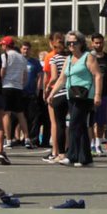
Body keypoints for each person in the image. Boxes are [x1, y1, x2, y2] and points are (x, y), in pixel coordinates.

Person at [48, 30, 103, 167]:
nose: (71, 45)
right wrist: (52, 93)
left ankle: (71, 155)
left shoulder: (88, 57)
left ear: (81, 43)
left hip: (84, 96)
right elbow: (62, 78)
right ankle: (85, 158)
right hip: (71, 95)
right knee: (81, 126)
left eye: (74, 42)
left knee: (73, 124)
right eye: (69, 43)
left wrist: (97, 95)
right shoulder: (68, 59)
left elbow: (98, 75)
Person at [0, 36, 28, 160]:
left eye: (2, 45)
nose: (1, 47)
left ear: (6, 45)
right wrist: (22, 85)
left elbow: (2, 71)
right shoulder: (21, 57)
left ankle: (9, 139)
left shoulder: (4, 56)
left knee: (6, 113)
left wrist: (0, 81)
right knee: (20, 113)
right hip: (18, 87)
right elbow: (25, 75)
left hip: (6, 86)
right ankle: (27, 138)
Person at [43, 32, 68, 162]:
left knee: (57, 124)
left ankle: (56, 151)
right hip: (71, 93)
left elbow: (52, 77)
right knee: (70, 123)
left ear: (52, 43)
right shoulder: (70, 57)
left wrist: (47, 89)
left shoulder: (52, 58)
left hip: (57, 92)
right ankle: (69, 149)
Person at [87, 32, 107, 157]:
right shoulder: (89, 57)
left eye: (100, 42)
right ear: (92, 43)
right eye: (96, 43)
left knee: (101, 120)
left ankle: (98, 143)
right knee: (91, 120)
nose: (98, 45)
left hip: (105, 92)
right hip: (91, 92)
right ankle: (91, 143)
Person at [21, 42, 43, 148]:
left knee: (33, 117)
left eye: (27, 49)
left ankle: (33, 139)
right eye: (24, 49)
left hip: (31, 93)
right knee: (18, 116)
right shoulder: (18, 61)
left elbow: (39, 76)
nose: (26, 51)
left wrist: (38, 90)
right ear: (21, 50)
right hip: (19, 93)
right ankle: (16, 138)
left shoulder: (35, 62)